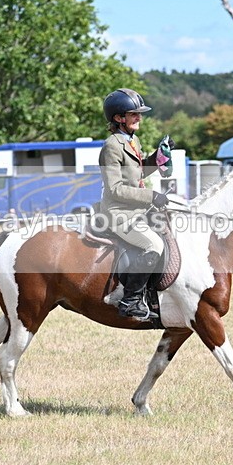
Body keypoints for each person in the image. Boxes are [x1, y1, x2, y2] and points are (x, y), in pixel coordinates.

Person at [99, 88, 174, 321]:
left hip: (137, 209)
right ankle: (129, 299)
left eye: (139, 114)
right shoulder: (111, 146)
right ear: (118, 118)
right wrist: (151, 196)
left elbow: (138, 172)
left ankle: (153, 295)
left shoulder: (132, 140)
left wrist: (157, 157)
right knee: (153, 246)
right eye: (134, 114)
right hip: (119, 213)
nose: (139, 118)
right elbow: (115, 189)